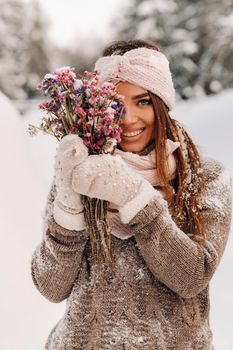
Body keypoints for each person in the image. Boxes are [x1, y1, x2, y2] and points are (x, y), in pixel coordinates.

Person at [31, 39, 232, 350]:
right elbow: (51, 286)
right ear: (97, 108)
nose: (127, 119)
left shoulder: (205, 177)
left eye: (143, 101)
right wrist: (69, 207)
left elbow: (191, 278)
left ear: (163, 103)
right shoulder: (81, 172)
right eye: (115, 104)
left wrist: (135, 198)